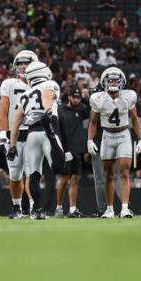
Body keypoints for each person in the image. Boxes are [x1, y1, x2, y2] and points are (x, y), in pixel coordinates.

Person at [88, 66, 141, 218]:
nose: (112, 83)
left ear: (122, 82)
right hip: (107, 135)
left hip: (124, 134)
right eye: (110, 80)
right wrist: (89, 140)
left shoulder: (129, 96)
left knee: (125, 170)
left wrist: (140, 139)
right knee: (108, 174)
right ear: (104, 82)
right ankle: (110, 209)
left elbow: (134, 118)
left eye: (115, 80)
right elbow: (93, 122)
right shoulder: (97, 98)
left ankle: (125, 208)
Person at [7, 61, 61, 220]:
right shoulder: (50, 84)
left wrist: (12, 146)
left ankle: (37, 210)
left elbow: (15, 123)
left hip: (31, 134)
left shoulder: (24, 95)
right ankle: (39, 208)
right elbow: (46, 96)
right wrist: (48, 111)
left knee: (34, 174)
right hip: (48, 127)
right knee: (59, 166)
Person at [0, 50, 36, 219]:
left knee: (32, 172)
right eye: (20, 64)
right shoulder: (8, 83)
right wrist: (2, 134)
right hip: (14, 133)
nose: (22, 67)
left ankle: (34, 207)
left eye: (26, 64)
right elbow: (3, 110)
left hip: (33, 132)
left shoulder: (41, 85)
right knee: (15, 174)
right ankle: (17, 207)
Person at [57, 88, 88, 217]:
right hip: (65, 150)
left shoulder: (81, 109)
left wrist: (86, 97)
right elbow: (57, 131)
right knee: (64, 178)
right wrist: (62, 150)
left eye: (78, 98)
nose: (76, 99)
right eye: (74, 97)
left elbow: (92, 110)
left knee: (75, 178)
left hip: (77, 149)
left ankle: (72, 209)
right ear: (69, 97)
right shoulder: (60, 110)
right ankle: (58, 207)